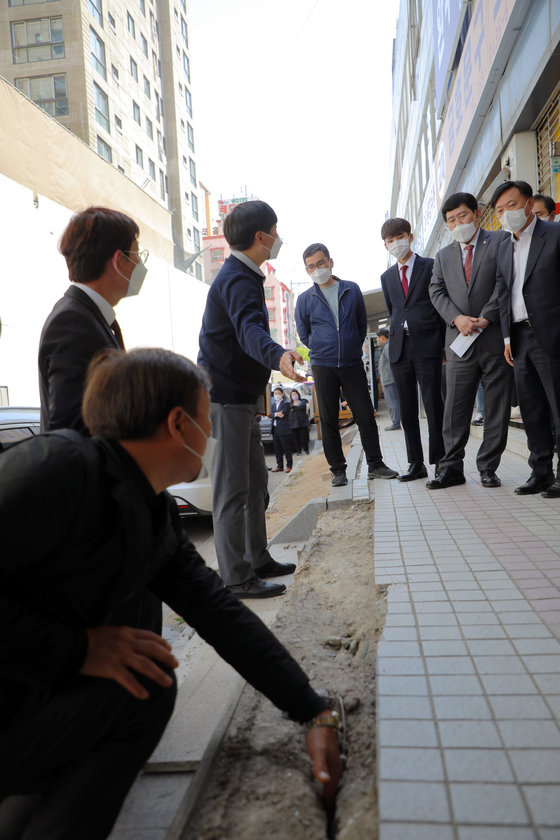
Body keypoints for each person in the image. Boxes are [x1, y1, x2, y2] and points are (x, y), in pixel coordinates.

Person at [0, 348, 342, 840]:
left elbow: (216, 609)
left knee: (146, 679)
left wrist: (312, 708)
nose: (213, 433)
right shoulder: (55, 471)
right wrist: (80, 651)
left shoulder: (148, 510)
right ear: (179, 424)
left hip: (28, 693)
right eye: (208, 418)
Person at [198, 200, 301, 599]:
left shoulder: (246, 275)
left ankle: (258, 558)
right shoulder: (238, 279)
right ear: (261, 236)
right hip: (224, 399)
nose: (277, 238)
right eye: (274, 231)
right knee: (232, 490)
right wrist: (278, 356)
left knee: (257, 483)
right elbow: (249, 331)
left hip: (241, 399)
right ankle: (236, 577)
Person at [426, 192, 512, 489]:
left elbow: (505, 280)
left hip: (493, 338)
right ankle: (451, 468)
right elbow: (436, 292)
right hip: (459, 341)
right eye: (451, 220)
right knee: (454, 408)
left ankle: (488, 467)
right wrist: (457, 318)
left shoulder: (499, 241)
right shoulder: (443, 256)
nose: (458, 223)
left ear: (476, 213)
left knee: (496, 406)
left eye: (462, 216)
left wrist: (487, 315)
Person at [295, 243, 398, 487]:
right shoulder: (304, 299)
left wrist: (350, 346)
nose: (317, 269)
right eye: (311, 266)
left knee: (365, 413)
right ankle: (338, 470)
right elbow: (304, 333)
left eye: (320, 263)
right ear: (306, 270)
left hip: (351, 362)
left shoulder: (351, 289)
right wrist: (322, 348)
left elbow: (361, 324)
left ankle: (376, 464)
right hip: (323, 365)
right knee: (329, 419)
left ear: (331, 262)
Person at [39, 206, 147, 434]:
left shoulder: (88, 315)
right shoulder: (72, 322)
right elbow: (70, 426)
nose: (140, 265)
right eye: (137, 255)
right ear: (119, 261)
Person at [492, 180, 560, 497]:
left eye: (512, 205)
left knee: (558, 406)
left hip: (552, 335)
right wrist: (506, 337)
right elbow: (504, 293)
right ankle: (541, 471)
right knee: (532, 410)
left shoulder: (555, 235)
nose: (507, 214)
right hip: (519, 339)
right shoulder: (504, 246)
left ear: (529, 204)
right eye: (500, 210)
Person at [380, 218, 445, 480]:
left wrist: (442, 345)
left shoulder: (431, 266)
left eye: (400, 237)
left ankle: (441, 461)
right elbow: (393, 310)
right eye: (390, 240)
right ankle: (415, 463)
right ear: (385, 245)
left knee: (433, 405)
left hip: (428, 343)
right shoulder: (386, 277)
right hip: (399, 348)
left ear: (411, 235)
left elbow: (439, 304)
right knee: (406, 409)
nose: (396, 243)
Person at [376, 329, 401, 431]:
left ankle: (396, 423)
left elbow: (392, 363)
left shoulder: (387, 347)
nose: (378, 340)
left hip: (389, 379)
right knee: (392, 400)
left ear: (382, 337)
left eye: (378, 338)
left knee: (392, 401)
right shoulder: (387, 347)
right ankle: (395, 421)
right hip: (388, 379)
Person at [270, 385, 293, 472]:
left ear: (282, 394)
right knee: (277, 448)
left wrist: (274, 415)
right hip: (275, 429)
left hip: (283, 429)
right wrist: (276, 414)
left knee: (286, 448)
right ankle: (280, 466)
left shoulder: (286, 404)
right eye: (275, 394)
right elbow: (269, 415)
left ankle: (289, 466)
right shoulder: (273, 405)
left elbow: (282, 414)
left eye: (278, 393)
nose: (276, 395)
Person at [289, 387, 310, 454]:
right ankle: (298, 451)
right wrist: (296, 407)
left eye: (295, 394)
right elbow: (289, 410)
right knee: (296, 438)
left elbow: (303, 407)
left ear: (298, 394)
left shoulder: (303, 401)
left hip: (302, 422)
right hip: (293, 424)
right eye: (292, 395)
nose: (294, 396)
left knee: (303, 438)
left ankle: (306, 450)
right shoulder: (289, 404)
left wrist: (294, 408)